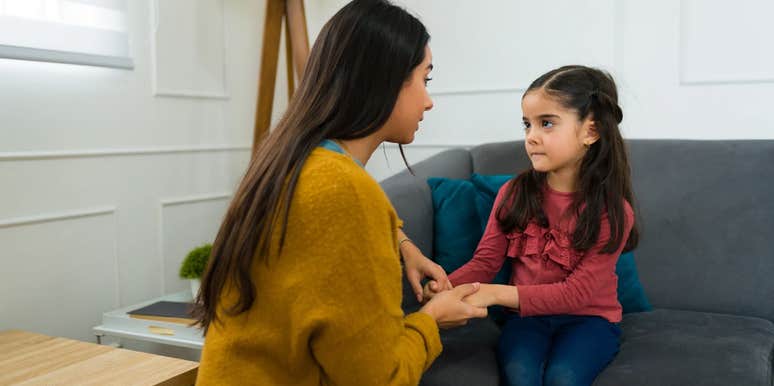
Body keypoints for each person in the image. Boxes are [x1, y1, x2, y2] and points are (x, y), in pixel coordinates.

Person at [193, 1, 487, 385]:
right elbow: (381, 378)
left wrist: (404, 246)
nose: (429, 101)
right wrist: (432, 321)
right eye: (424, 80)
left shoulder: (295, 160)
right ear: (385, 80)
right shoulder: (344, 190)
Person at [424, 65, 639, 386]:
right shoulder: (514, 194)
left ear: (590, 132)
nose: (531, 137)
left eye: (547, 123)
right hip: (527, 319)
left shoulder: (612, 211)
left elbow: (577, 294)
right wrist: (446, 287)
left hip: (589, 320)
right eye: (527, 124)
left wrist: (495, 293)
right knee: (520, 376)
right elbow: (484, 263)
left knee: (563, 378)